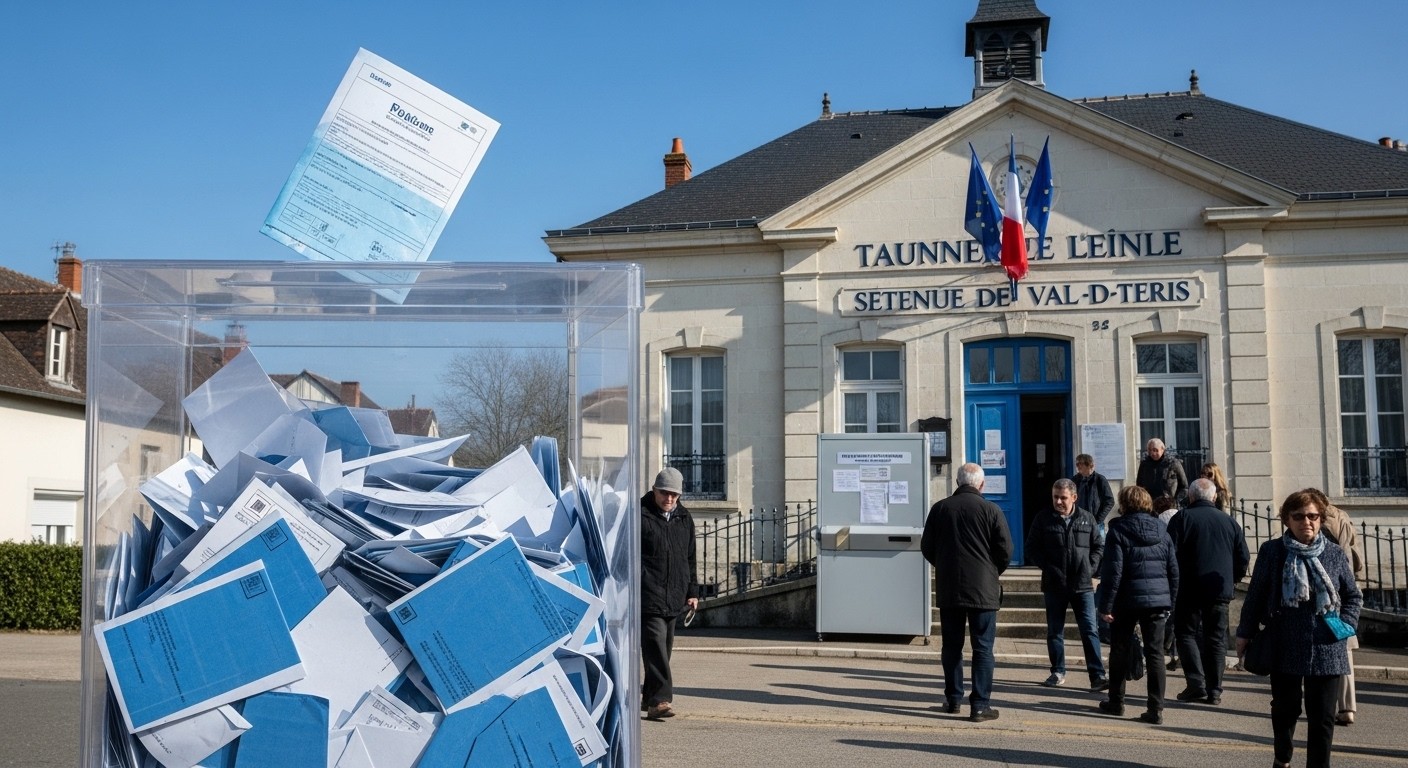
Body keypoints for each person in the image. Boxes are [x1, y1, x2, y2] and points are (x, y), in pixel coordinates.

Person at [1236, 490, 1362, 768]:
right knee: (1285, 710)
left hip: (1327, 645)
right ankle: (1283, 756)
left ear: (1320, 519)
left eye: (1313, 516)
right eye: (1300, 516)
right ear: (1287, 520)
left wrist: (1345, 626)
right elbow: (1255, 596)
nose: (1307, 522)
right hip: (1284, 642)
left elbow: (1353, 595)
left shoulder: (1334, 553)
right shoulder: (1273, 551)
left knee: (1323, 717)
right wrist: (1245, 633)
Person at [921, 462, 1013, 723]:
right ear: (981, 485)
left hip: (951, 588)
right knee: (983, 648)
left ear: (958, 483)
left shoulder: (940, 509)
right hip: (983, 590)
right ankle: (980, 706)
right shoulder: (992, 510)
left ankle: (953, 700)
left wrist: (945, 565)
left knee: (952, 647)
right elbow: (1005, 550)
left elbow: (927, 547)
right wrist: (992, 572)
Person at [1096, 486, 1179, 725]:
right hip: (1157, 600)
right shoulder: (1162, 530)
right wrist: (1170, 601)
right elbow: (1173, 570)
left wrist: (1106, 605)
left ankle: (1116, 701)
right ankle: (1156, 708)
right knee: (1155, 654)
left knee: (1119, 650)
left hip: (1126, 599)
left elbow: (1113, 572)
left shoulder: (1118, 530)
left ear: (1123, 504)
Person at [1167, 478, 1250, 706]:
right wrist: (1232, 579)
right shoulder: (1229, 522)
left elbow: (1169, 554)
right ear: (1214, 497)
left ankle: (1196, 683)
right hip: (1219, 588)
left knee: (1186, 634)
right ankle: (1215, 689)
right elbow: (1243, 558)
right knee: (1216, 639)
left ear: (1191, 497)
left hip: (1188, 587)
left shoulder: (1182, 518)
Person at [1026, 478, 1107, 690]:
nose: (1059, 501)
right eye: (1056, 497)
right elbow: (1032, 548)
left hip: (1082, 586)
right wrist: (1048, 566)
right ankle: (1057, 671)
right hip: (1055, 584)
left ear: (1074, 497)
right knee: (1055, 631)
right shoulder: (1043, 519)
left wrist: (1090, 568)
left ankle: (1097, 675)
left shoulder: (1087, 519)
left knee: (1090, 630)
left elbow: (1098, 546)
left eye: (1063, 497)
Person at [639, 467, 699, 720]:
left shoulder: (684, 518)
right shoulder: (639, 515)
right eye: (665, 493)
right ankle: (662, 699)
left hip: (674, 594)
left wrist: (692, 591)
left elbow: (690, 557)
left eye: (674, 495)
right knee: (655, 646)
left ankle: (650, 702)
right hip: (648, 593)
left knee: (663, 649)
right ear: (654, 490)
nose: (670, 499)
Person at [1307, 488, 1365, 727]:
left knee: (1329, 651)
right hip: (1346, 586)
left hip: (1328, 593)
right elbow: (1356, 555)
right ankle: (1347, 706)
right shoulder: (1343, 517)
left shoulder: (1321, 523)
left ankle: (1329, 706)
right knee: (1344, 651)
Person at [1071, 454, 1115, 538]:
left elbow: (1109, 501)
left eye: (1079, 463)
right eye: (1076, 464)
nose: (1077, 466)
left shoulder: (1100, 479)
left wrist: (1098, 519)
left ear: (1088, 464)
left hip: (1096, 523)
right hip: (1078, 521)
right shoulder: (1075, 480)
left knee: (1099, 548)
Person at [1136, 438, 1188, 508]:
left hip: (1168, 505)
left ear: (1162, 449)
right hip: (1149, 505)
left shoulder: (1173, 463)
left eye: (1155, 450)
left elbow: (1184, 487)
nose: (1152, 453)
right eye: (1149, 450)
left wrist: (1176, 502)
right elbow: (1139, 485)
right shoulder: (1144, 464)